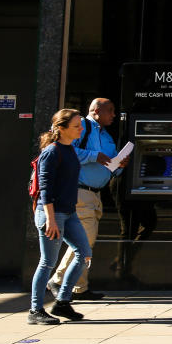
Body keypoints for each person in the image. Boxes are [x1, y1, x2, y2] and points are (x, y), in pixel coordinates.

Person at [49, 97, 117, 302]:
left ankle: (79, 287)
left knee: (88, 241)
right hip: (80, 192)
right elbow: (67, 152)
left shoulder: (106, 136)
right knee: (83, 242)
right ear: (96, 111)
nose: (113, 115)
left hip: (95, 194)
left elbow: (109, 163)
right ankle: (58, 280)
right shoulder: (82, 128)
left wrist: (119, 165)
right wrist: (93, 156)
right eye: (110, 110)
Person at [28, 109, 92, 324]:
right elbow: (45, 188)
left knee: (83, 253)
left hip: (69, 212)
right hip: (52, 215)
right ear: (62, 129)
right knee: (47, 262)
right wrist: (51, 220)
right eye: (76, 126)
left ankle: (62, 302)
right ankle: (35, 310)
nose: (81, 129)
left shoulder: (70, 149)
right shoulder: (52, 152)